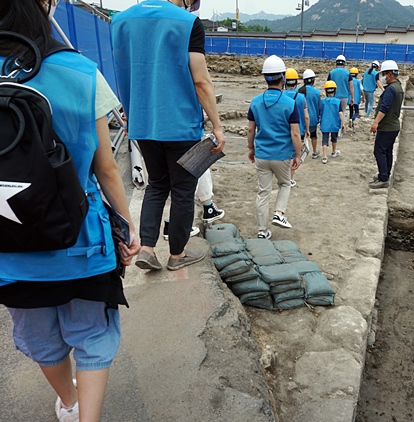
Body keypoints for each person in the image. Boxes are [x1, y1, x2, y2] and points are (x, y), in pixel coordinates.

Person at [0, 0, 141, 421]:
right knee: (93, 334)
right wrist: (127, 228)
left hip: (9, 248)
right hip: (81, 243)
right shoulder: (79, 71)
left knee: (39, 336)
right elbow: (106, 169)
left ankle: (70, 401)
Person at [112, 0, 225, 271]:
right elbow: (200, 80)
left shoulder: (120, 21)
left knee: (157, 185)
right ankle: (177, 255)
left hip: (144, 123)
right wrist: (217, 125)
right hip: (180, 123)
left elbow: (124, 72)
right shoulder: (187, 23)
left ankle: (148, 249)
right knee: (183, 190)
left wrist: (129, 115)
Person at [247, 55, 302, 239]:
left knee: (263, 192)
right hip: (281, 155)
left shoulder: (255, 102)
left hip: (262, 154)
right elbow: (295, 133)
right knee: (285, 183)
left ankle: (262, 231)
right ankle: (279, 213)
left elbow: (250, 129)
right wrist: (298, 154)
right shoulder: (290, 103)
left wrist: (250, 148)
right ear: (283, 77)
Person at [369, 60, 404, 189]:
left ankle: (383, 178)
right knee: (387, 151)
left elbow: (384, 108)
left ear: (390, 74)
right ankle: (385, 174)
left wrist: (375, 122)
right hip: (393, 126)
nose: (383, 77)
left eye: (384, 74)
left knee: (379, 151)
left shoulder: (391, 90)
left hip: (387, 126)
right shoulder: (398, 87)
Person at [283, 68, 310, 188]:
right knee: (294, 155)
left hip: (283, 130)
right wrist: (307, 129)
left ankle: (282, 176)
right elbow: (306, 116)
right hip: (297, 130)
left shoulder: (281, 96)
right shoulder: (301, 98)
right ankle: (290, 179)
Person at [298, 69, 322, 159]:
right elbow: (319, 107)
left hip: (300, 119)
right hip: (312, 118)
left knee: (300, 136)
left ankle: (300, 153)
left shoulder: (298, 90)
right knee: (313, 135)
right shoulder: (316, 92)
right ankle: (314, 152)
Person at [320, 81, 345, 163]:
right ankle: (333, 152)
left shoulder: (322, 101)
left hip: (325, 123)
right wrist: (343, 123)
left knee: (324, 139)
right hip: (334, 123)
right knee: (334, 138)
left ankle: (324, 156)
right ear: (335, 90)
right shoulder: (338, 101)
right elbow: (340, 113)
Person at [327, 54, 354, 120]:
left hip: (334, 95)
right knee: (343, 112)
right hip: (344, 96)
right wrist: (352, 97)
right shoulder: (347, 73)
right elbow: (351, 86)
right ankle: (341, 128)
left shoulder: (331, 72)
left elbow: (327, 85)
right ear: (344, 63)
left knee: (334, 112)